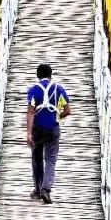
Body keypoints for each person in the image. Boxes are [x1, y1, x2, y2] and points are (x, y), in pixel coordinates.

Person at [26, 61, 70, 204]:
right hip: (53, 129)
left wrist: (28, 133)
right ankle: (46, 190)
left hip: (37, 129)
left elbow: (31, 112)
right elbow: (67, 111)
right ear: (51, 76)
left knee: (37, 159)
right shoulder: (59, 89)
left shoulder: (33, 90)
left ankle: (38, 190)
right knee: (50, 160)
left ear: (37, 75)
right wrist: (57, 117)